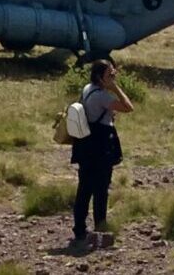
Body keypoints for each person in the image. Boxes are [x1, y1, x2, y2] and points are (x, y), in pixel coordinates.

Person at [71, 59, 134, 247]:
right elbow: (129, 107)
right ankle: (100, 227)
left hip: (86, 145)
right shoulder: (102, 96)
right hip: (101, 146)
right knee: (100, 189)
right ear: (101, 77)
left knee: (84, 188)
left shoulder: (87, 89)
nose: (113, 77)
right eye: (109, 75)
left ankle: (80, 229)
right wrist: (115, 88)